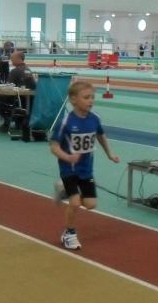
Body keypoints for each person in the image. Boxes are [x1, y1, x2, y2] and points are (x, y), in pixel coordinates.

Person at [50, 81, 120, 250]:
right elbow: (54, 146)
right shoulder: (66, 122)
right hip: (69, 169)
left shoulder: (94, 119)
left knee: (91, 204)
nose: (91, 101)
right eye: (86, 97)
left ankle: (63, 190)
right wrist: (67, 157)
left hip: (86, 170)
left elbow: (101, 136)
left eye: (92, 97)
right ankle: (69, 233)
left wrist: (110, 154)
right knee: (74, 203)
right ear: (74, 100)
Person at [4, 50, 37, 140]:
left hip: (18, 100)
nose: (11, 60)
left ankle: (6, 121)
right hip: (29, 100)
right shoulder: (28, 70)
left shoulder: (15, 71)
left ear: (19, 59)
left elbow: (8, 86)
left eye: (12, 58)